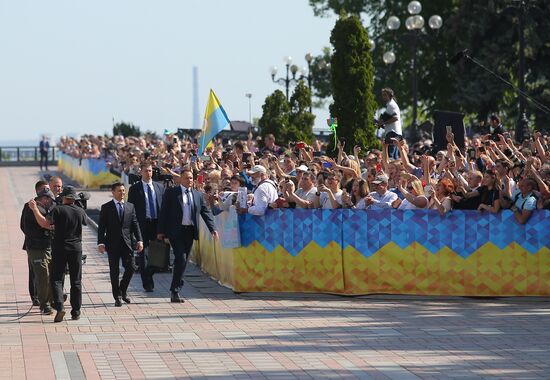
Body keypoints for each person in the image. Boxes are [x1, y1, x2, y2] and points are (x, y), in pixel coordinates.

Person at [156, 169, 218, 303]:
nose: (189, 180)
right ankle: (175, 290)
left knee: (182, 261)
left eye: (191, 178)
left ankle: (177, 283)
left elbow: (205, 213)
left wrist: (212, 229)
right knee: (181, 258)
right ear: (180, 179)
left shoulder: (197, 195)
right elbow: (164, 212)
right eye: (186, 178)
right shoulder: (172, 193)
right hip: (175, 231)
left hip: (189, 232)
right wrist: (160, 231)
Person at [28, 186, 87, 322]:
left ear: (64, 197)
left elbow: (45, 223)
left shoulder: (57, 209)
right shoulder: (79, 210)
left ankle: (60, 307)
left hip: (59, 247)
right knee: (76, 281)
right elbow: (84, 221)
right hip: (76, 248)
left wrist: (34, 209)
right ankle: (76, 311)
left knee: (56, 279)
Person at [98, 182, 143, 306]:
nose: (122, 193)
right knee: (114, 271)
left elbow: (135, 224)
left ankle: (122, 290)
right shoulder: (106, 207)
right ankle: (117, 297)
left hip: (127, 243)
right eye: (119, 191)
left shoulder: (130, 206)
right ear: (113, 192)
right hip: (112, 244)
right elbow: (102, 227)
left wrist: (139, 240)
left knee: (131, 267)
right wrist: (100, 243)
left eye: (123, 190)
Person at [127, 163, 165, 291]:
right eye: (146, 171)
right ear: (141, 173)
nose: (149, 173)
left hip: (156, 224)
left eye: (150, 171)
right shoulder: (135, 189)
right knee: (142, 254)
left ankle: (148, 272)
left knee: (158, 255)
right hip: (141, 225)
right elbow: (130, 209)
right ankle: (147, 283)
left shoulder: (159, 187)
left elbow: (163, 207)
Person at [21, 188, 56, 315]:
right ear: (44, 199)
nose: (51, 203)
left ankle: (51, 300)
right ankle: (45, 305)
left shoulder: (39, 208)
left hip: (45, 246)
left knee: (49, 275)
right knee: (43, 276)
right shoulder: (32, 209)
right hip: (36, 248)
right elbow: (46, 224)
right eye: (50, 200)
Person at [379, 88, 402, 159]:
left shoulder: (391, 105)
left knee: (390, 156)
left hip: (392, 133)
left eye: (385, 95)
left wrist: (384, 122)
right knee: (395, 157)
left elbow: (395, 118)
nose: (383, 97)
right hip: (395, 132)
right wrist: (383, 124)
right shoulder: (392, 104)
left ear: (390, 95)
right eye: (383, 95)